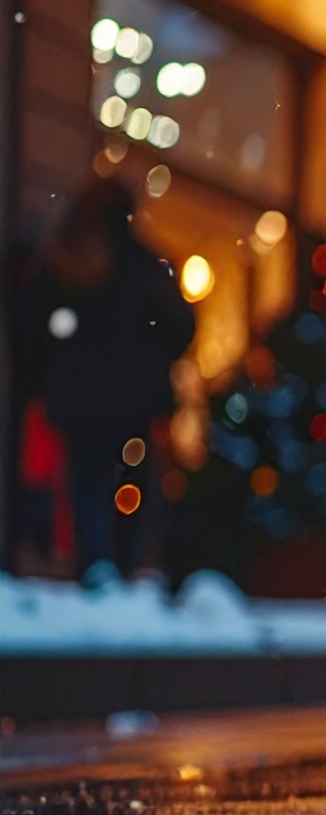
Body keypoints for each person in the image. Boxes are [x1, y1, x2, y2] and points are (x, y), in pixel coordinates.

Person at [8, 179, 194, 581]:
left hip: (81, 406)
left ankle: (96, 565)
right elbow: (181, 324)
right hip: (133, 405)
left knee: (89, 487)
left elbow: (29, 325)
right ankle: (124, 567)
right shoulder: (144, 266)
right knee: (130, 487)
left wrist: (48, 377)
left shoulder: (65, 264)